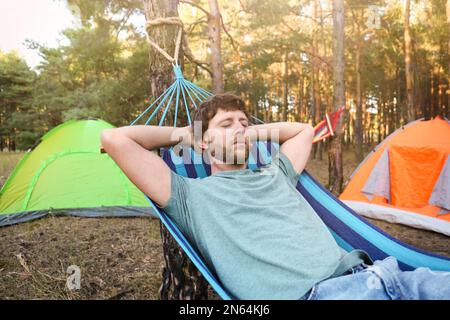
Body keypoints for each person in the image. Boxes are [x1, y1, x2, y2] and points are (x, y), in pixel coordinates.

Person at [101, 92, 450, 300]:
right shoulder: (189, 197)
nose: (240, 128)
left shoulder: (276, 172)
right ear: (203, 142)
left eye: (244, 123)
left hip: (388, 276)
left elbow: (302, 131)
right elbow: (114, 140)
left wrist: (243, 131)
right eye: (227, 125)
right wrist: (187, 133)